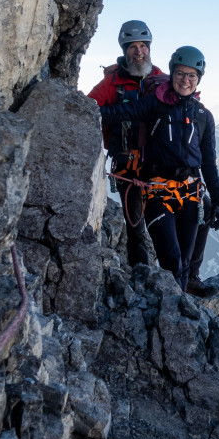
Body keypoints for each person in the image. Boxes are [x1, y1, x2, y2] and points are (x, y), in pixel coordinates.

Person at [98, 46, 219, 291]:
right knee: (172, 262)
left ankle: (181, 314)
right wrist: (88, 109)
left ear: (198, 79)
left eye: (191, 76)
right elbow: (121, 112)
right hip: (157, 194)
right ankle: (175, 317)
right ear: (171, 73)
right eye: (180, 74)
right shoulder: (153, 105)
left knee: (184, 264)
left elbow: (208, 162)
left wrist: (218, 201)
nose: (185, 80)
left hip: (189, 193)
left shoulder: (203, 116)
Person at [88, 20, 166, 266]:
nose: (139, 51)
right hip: (127, 166)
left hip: (158, 164)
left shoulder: (159, 78)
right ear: (125, 50)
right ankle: (141, 271)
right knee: (135, 225)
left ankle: (170, 272)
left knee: (162, 219)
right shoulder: (112, 83)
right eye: (133, 47)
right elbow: (88, 108)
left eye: (143, 46)